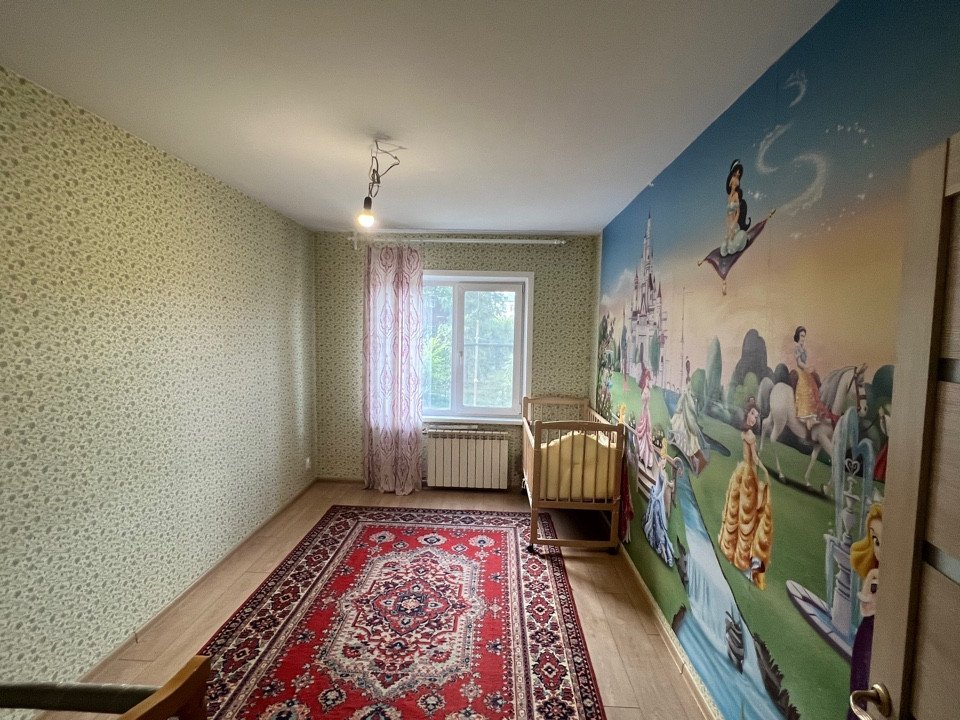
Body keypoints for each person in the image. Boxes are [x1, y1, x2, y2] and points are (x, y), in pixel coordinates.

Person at [717, 398, 773, 589]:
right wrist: (764, 469)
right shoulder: (749, 436)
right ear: (747, 413)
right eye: (752, 414)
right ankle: (743, 558)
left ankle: (736, 552)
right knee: (747, 517)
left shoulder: (745, 433)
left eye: (756, 416)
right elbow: (754, 458)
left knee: (740, 515)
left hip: (742, 473)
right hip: (748, 477)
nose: (754, 419)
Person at [848, 504, 883, 720]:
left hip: (884, 639)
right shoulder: (874, 575)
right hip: (868, 634)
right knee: (860, 689)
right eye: (876, 541)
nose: (880, 549)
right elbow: (865, 608)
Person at [642, 440, 676, 566]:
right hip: (656, 498)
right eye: (662, 460)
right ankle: (664, 553)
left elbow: (663, 489)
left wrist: (657, 497)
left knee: (659, 526)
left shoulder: (664, 474)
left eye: (663, 460)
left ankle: (666, 555)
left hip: (657, 500)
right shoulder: (662, 472)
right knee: (656, 524)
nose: (662, 462)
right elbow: (662, 486)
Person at [793, 325, 829, 430]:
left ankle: (813, 415)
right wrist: (808, 368)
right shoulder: (797, 347)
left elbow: (804, 362)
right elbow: (799, 363)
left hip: (805, 370)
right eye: (801, 336)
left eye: (804, 336)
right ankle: (806, 415)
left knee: (814, 385)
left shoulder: (803, 348)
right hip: (801, 371)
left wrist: (810, 368)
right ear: (797, 336)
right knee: (806, 387)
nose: (803, 338)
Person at [721, 159, 752, 256]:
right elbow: (727, 214)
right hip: (730, 224)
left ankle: (742, 237)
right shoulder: (728, 197)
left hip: (735, 224)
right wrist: (727, 227)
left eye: (738, 176)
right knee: (723, 250)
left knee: (731, 249)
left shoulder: (736, 195)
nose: (734, 183)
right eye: (734, 175)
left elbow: (737, 212)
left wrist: (733, 226)